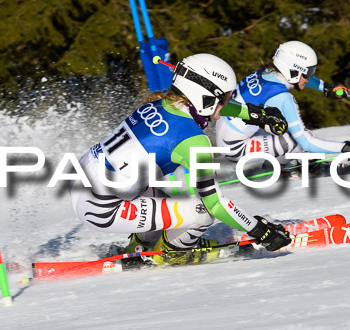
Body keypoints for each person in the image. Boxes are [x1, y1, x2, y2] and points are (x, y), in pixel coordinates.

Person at [69, 53, 292, 265]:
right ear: (205, 98)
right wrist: (260, 231)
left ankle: (142, 244)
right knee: (202, 211)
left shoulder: (160, 103)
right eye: (224, 98)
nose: (226, 103)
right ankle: (172, 254)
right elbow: (215, 204)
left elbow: (211, 108)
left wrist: (257, 115)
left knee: (166, 192)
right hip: (101, 209)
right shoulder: (193, 140)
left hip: (86, 182)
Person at [215, 40, 350, 170]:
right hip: (235, 147)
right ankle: (276, 171)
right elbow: (307, 142)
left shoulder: (265, 73)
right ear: (293, 70)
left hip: (229, 133)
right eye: (308, 72)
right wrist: (346, 148)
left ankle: (289, 165)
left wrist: (327, 88)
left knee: (281, 126)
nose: (309, 78)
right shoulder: (283, 98)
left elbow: (301, 79)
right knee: (296, 140)